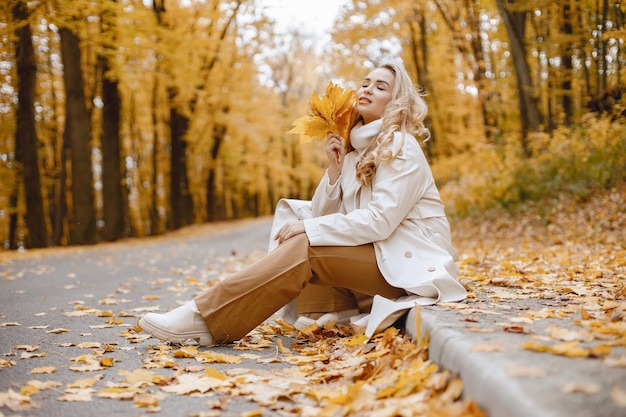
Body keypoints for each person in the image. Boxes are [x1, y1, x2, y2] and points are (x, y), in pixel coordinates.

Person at [137, 62, 467, 346]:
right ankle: (327, 310)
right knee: (304, 234)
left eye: (380, 87)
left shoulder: (400, 145)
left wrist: (308, 227)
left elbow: (378, 222)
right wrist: (335, 172)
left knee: (306, 242)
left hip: (407, 269)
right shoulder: (355, 153)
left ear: (395, 102)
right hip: (382, 262)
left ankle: (204, 317)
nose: (366, 89)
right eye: (365, 83)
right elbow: (324, 216)